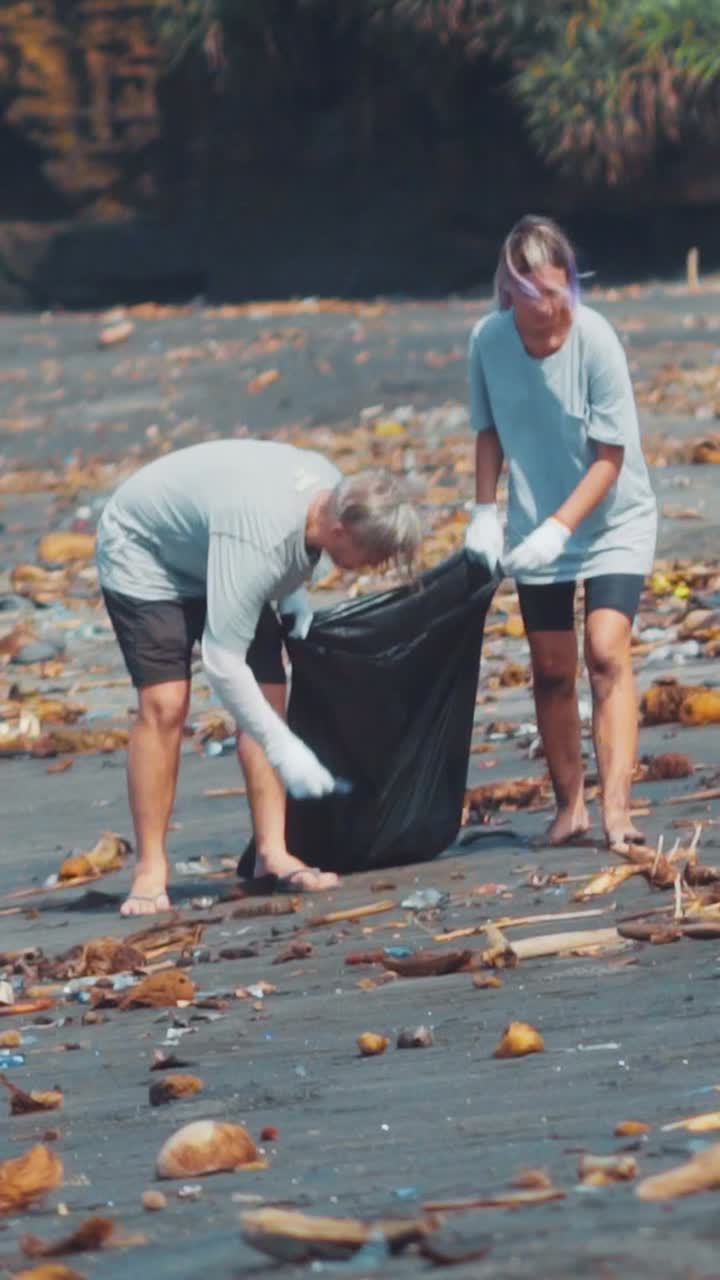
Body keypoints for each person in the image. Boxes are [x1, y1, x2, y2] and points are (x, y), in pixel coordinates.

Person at [96, 438, 421, 915]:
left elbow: (289, 555)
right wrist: (285, 748)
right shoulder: (259, 539)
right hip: (144, 553)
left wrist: (293, 599)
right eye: (371, 553)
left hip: (215, 549)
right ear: (339, 526)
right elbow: (223, 661)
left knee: (269, 696)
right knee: (165, 703)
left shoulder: (329, 488)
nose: (372, 567)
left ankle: (273, 853)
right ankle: (150, 870)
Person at [464, 215, 657, 852]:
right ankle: (571, 806)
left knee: (606, 652)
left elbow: (611, 456)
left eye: (559, 290)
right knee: (551, 670)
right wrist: (484, 513)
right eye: (534, 293)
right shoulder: (488, 341)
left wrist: (561, 526)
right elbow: (488, 432)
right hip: (532, 520)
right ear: (509, 289)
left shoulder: (595, 339)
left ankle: (618, 811)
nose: (549, 306)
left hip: (612, 519)